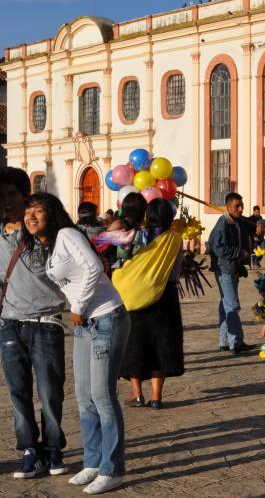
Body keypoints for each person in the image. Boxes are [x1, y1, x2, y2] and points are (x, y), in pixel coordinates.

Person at [21, 193, 130, 494]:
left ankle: (112, 469)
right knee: (84, 397)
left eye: (37, 211)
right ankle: (93, 463)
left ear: (51, 213)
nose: (31, 217)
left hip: (107, 318)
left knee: (103, 397)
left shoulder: (67, 234)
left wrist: (79, 307)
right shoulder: (47, 246)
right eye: (27, 211)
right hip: (84, 323)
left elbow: (95, 268)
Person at [0, 168, 68, 479]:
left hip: (46, 321)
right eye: (1, 196)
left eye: (12, 194)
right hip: (10, 323)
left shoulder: (45, 233)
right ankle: (30, 447)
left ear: (25, 195)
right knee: (17, 391)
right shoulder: (0, 232)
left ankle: (53, 447)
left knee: (51, 391)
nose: (6, 201)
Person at [119, 199, 184, 409]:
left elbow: (124, 259)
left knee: (135, 344)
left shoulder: (139, 235)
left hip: (137, 296)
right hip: (166, 295)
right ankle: (156, 397)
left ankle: (137, 393)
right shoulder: (175, 239)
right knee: (161, 346)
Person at [208, 192, 254, 354]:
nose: (240, 209)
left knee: (225, 305)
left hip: (233, 269)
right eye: (237, 206)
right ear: (228, 207)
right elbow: (218, 248)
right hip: (224, 270)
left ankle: (224, 341)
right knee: (232, 305)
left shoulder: (237, 222)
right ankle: (237, 342)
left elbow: (253, 225)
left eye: (241, 206)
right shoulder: (223, 224)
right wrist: (240, 254)